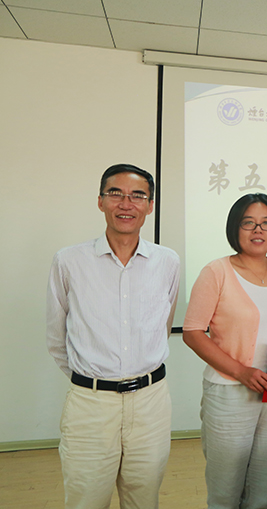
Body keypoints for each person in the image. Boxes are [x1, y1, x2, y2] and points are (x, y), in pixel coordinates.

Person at [46, 163, 180, 508]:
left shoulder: (167, 262)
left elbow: (163, 326)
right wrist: (92, 378)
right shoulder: (69, 261)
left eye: (137, 196)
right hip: (90, 405)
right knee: (86, 499)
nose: (126, 204)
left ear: (150, 206)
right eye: (115, 194)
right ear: (100, 201)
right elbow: (56, 337)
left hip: (150, 403)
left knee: (144, 498)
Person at [182, 193, 267, 509]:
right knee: (226, 489)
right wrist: (242, 372)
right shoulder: (216, 272)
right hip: (229, 392)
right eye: (248, 223)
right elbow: (192, 332)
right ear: (235, 228)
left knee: (264, 482)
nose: (258, 230)